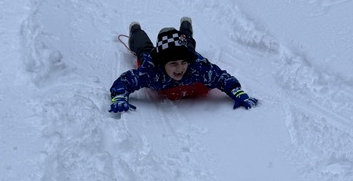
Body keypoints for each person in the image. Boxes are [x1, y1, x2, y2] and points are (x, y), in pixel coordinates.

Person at [109, 19, 258, 112]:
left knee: (189, 45)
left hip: (185, 50)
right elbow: (126, 80)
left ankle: (185, 28)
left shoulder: (197, 67)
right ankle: (136, 31)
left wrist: (235, 91)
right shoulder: (151, 71)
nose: (179, 68)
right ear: (162, 63)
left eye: (182, 63)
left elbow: (221, 77)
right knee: (144, 51)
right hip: (154, 55)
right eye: (173, 64)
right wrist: (119, 96)